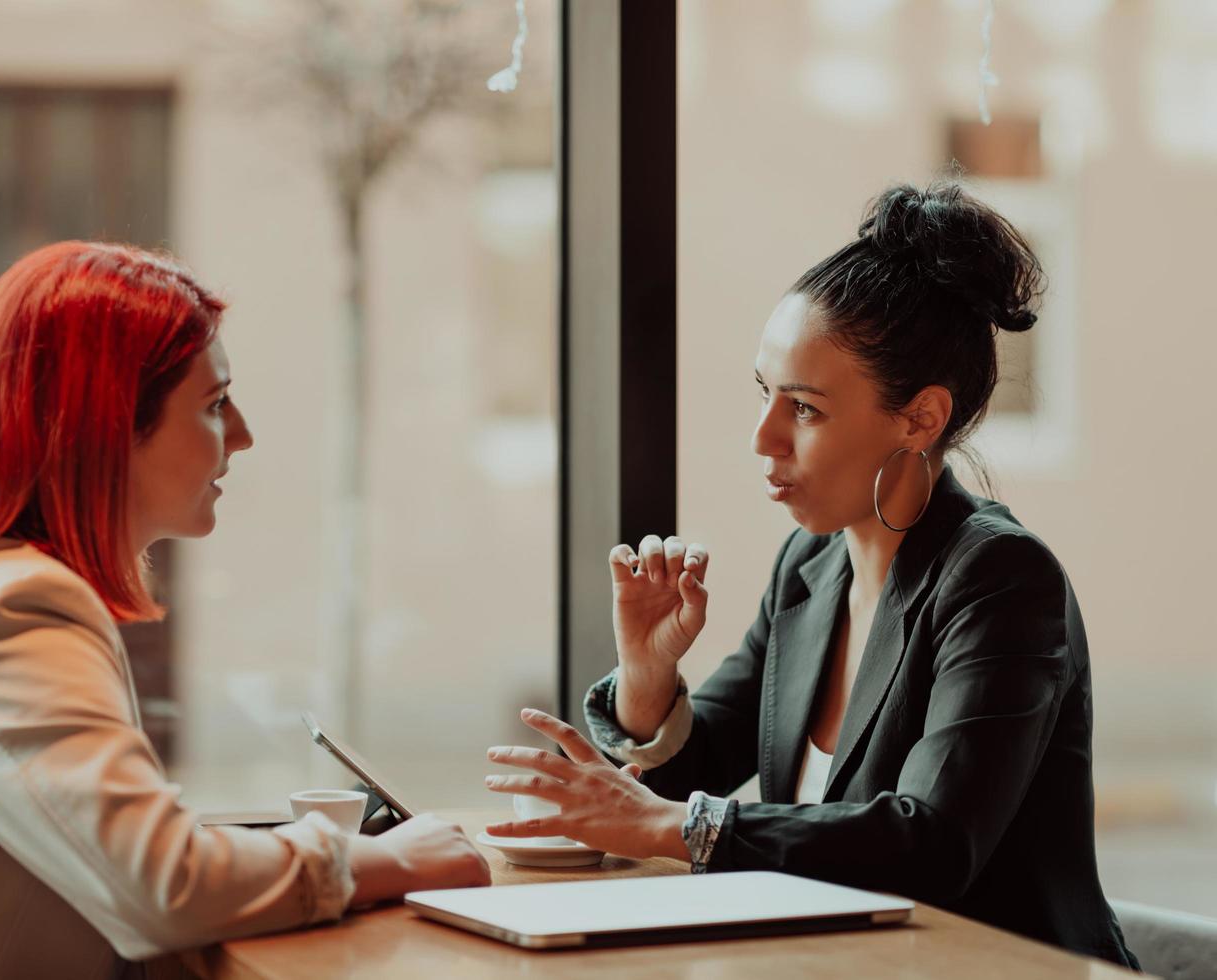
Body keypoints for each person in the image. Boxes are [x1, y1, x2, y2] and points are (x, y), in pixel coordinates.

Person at [0, 241, 490, 978]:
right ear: (105, 428)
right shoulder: (8, 610)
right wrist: (384, 860)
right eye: (214, 404)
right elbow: (164, 887)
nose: (243, 435)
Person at [482, 183, 1138, 967]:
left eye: (806, 410)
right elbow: (697, 767)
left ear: (920, 418)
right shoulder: (812, 565)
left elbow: (931, 842)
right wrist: (648, 672)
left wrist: (671, 829)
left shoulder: (1000, 578)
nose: (764, 438)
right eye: (767, 395)